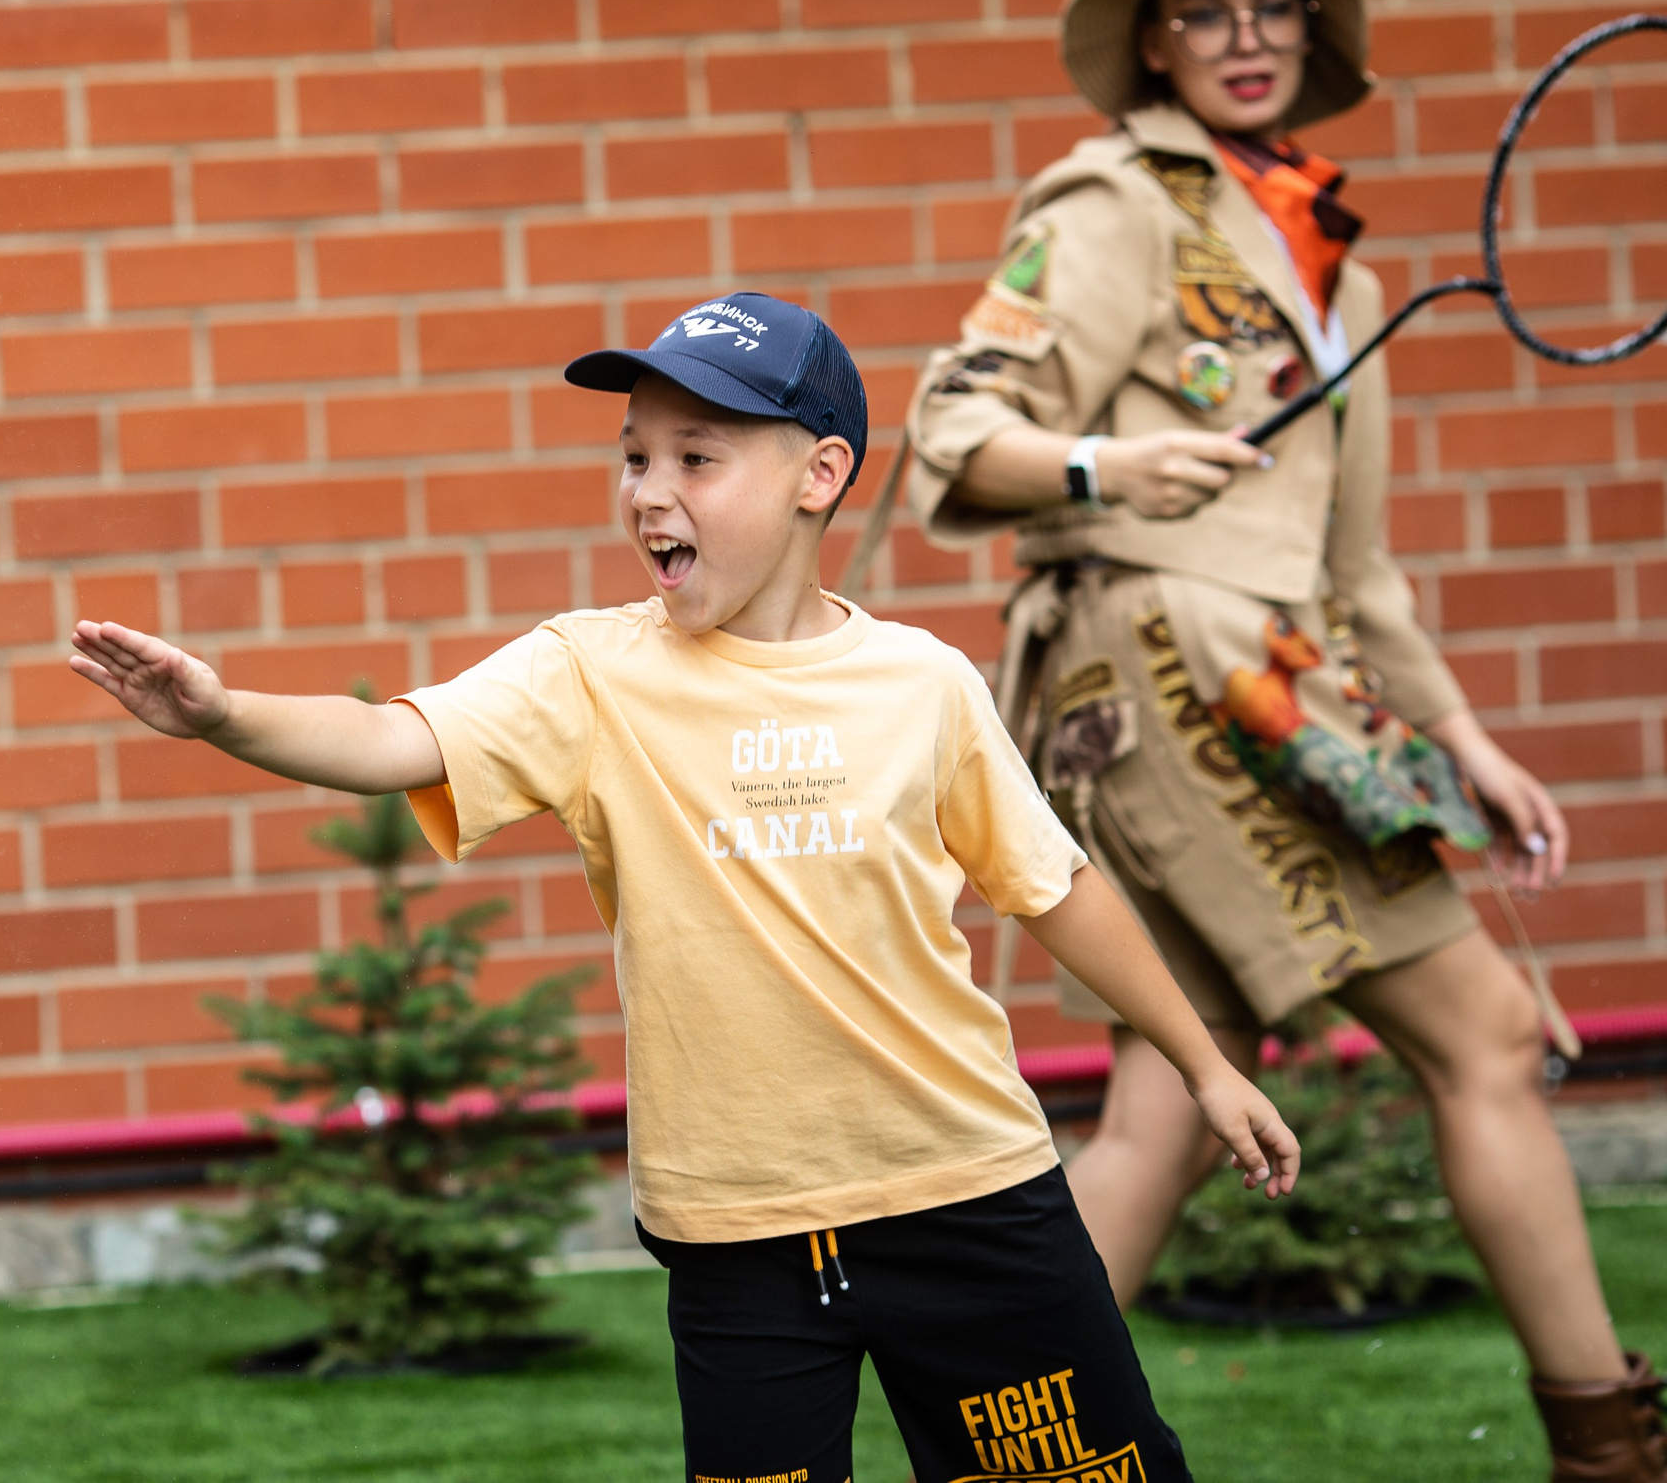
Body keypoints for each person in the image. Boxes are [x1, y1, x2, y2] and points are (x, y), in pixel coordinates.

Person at [72, 290, 1300, 1483]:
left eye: (695, 457)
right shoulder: (588, 672)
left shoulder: (922, 684)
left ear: (818, 475)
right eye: (633, 457)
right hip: (736, 1235)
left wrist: (1203, 1064)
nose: (649, 491)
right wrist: (224, 715)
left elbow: (1054, 886)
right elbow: (395, 742)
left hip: (968, 1199)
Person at [905, 0, 1663, 1482]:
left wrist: (1463, 737)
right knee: (1481, 1031)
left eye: (1272, 8)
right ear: (1158, 44)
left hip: (1259, 666)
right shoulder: (1114, 205)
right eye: (1204, 10)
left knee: (1169, 1105)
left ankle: (1015, 1461)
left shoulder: (1338, 272)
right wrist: (1110, 458)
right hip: (1166, 665)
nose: (1242, 39)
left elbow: (1353, 572)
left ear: (1307, 36)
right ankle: (1611, 1445)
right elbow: (951, 433)